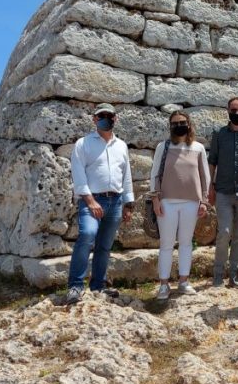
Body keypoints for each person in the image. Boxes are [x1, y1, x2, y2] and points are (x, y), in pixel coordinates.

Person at [66, 103, 135, 304]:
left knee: (104, 246)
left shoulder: (121, 145)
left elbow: (126, 176)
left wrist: (128, 204)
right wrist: (90, 201)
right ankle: (75, 286)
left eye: (109, 115)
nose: (106, 118)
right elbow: (78, 175)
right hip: (92, 200)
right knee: (87, 235)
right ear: (94, 119)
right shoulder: (83, 144)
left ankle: (98, 286)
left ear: (116, 118)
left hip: (115, 201)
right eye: (101, 115)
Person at [150, 111, 210, 300]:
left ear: (189, 123)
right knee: (166, 244)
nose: (179, 126)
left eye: (182, 122)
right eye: (175, 123)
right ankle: (164, 285)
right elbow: (154, 174)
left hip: (192, 202)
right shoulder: (163, 146)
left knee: (186, 243)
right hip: (167, 201)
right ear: (170, 126)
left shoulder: (198, 147)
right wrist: (155, 199)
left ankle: (184, 281)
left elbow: (204, 176)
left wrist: (204, 201)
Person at [208, 97, 238, 287]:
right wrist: (210, 186)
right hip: (223, 192)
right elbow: (213, 161)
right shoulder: (219, 134)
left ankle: (234, 275)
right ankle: (218, 273)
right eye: (233, 109)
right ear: (227, 110)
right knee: (224, 232)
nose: (236, 113)